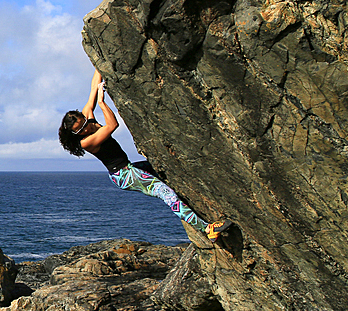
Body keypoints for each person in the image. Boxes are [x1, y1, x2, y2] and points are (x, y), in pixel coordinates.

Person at [59, 69, 231, 242]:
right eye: (78, 131)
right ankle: (207, 228)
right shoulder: (86, 142)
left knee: (168, 171)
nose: (84, 130)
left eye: (83, 126)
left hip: (130, 168)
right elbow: (112, 125)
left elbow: (93, 89)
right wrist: (103, 103)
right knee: (166, 193)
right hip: (124, 175)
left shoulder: (87, 115)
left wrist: (98, 67)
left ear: (82, 117)